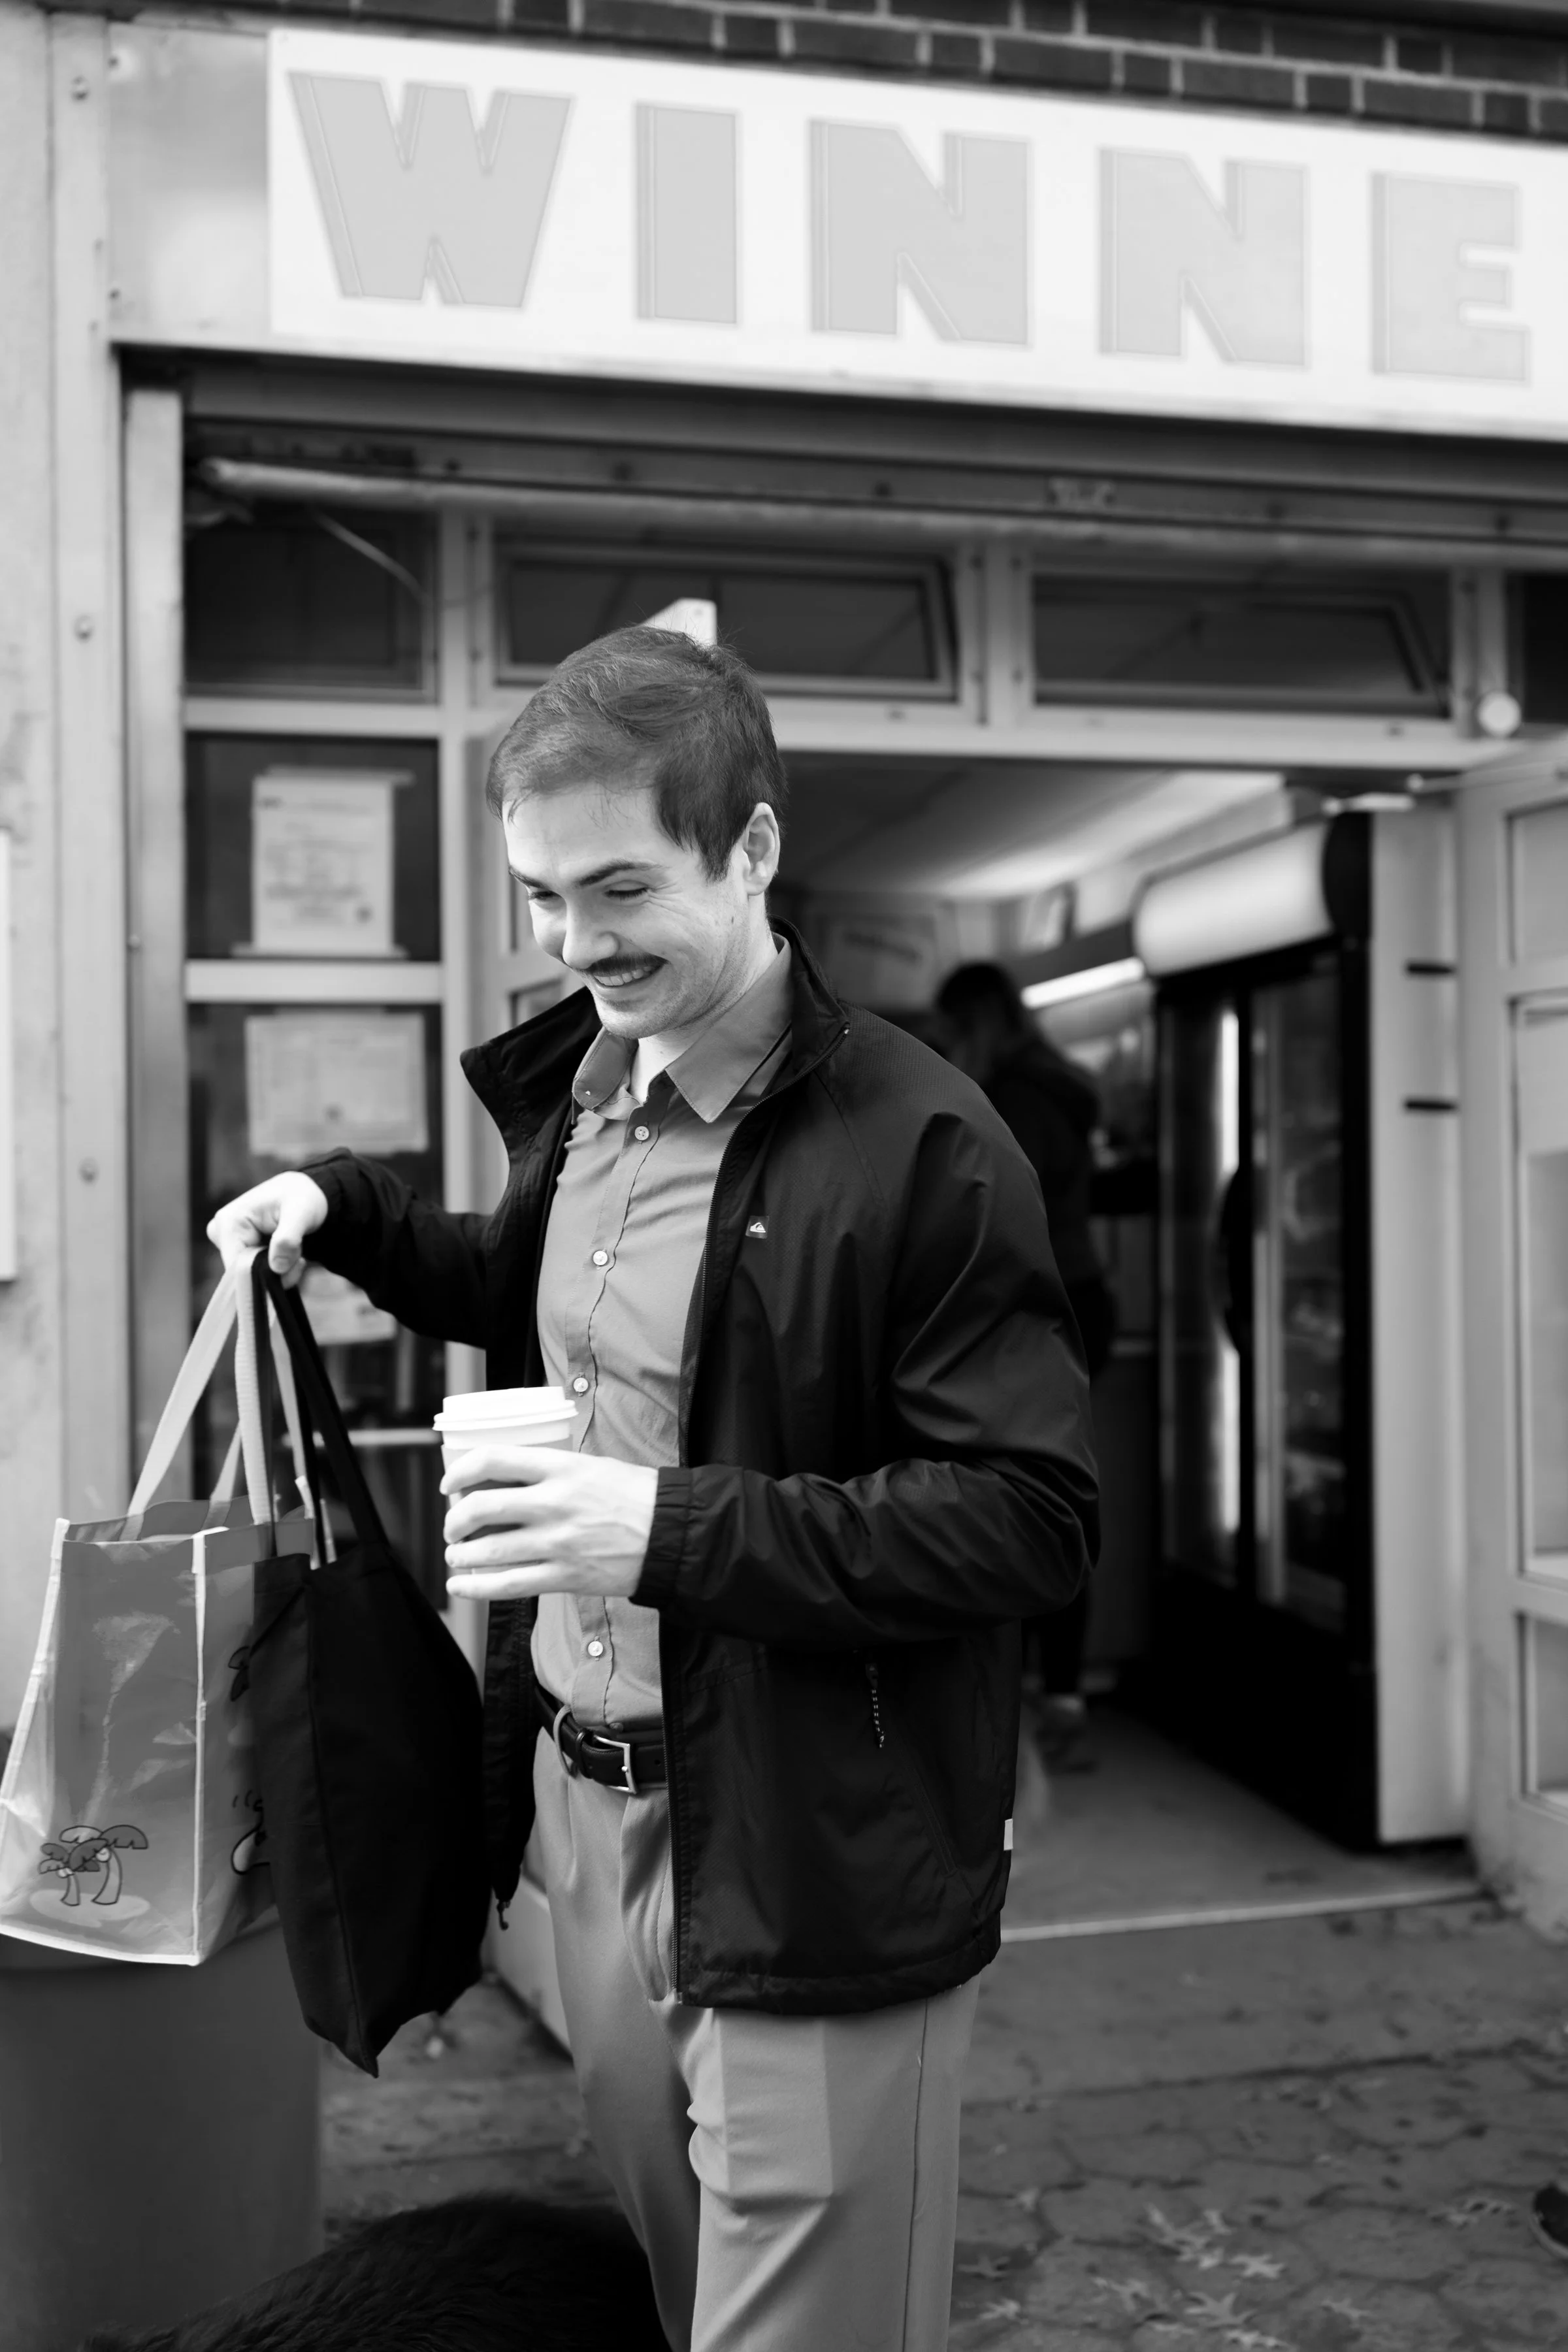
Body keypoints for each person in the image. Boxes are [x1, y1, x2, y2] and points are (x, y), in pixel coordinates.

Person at [210, 627, 1098, 2352]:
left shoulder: (925, 1142)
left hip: (809, 1846)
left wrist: (657, 1527)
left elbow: (1027, 1517)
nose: (571, 941)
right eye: (540, 896)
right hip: (576, 1811)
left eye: (616, 888)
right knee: (680, 2302)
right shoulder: (596, 1087)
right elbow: (517, 1278)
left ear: (752, 848)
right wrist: (335, 1206)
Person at [934, 962, 1115, 1772]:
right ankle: (1060, 1695)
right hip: (1076, 1298)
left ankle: (1054, 1701)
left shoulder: (1018, 1097)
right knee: (1045, 1492)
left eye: (954, 1031)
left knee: (1032, 1505)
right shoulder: (1059, 1086)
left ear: (978, 1023)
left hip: (1043, 1310)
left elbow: (1005, 1215)